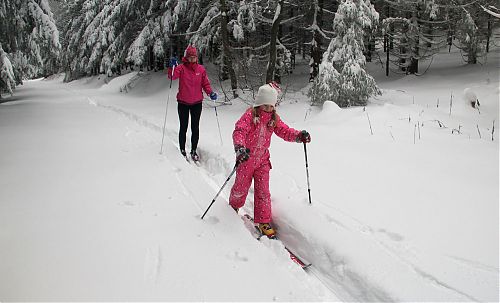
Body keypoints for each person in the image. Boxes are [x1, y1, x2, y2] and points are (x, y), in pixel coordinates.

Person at [228, 83, 311, 238]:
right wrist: (239, 147)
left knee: (263, 192)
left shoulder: (273, 119)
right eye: (265, 105)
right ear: (259, 104)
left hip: (263, 161)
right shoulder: (250, 115)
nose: (268, 109)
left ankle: (263, 221)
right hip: (246, 158)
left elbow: (285, 131)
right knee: (240, 187)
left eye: (271, 106)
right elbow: (239, 130)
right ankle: (233, 207)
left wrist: (298, 136)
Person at [168, 45, 217, 161]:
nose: (192, 59)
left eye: (194, 57)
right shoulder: (181, 68)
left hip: (197, 103)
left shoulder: (201, 69)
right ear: (186, 57)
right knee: (183, 127)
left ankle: (194, 150)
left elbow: (205, 84)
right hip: (183, 103)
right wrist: (171, 67)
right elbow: (172, 76)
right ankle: (182, 149)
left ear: (196, 57)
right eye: (190, 57)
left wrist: (210, 93)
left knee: (195, 127)